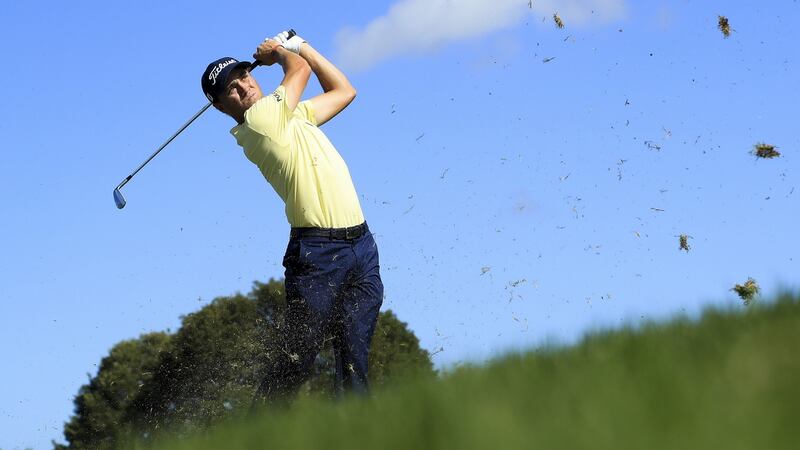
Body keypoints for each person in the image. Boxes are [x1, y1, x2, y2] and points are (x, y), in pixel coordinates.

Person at [200, 31, 383, 405]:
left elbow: (344, 90)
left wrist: (304, 46)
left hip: (361, 246)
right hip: (317, 253)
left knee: (354, 360)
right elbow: (297, 69)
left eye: (244, 76)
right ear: (220, 107)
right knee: (295, 360)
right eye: (231, 89)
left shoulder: (291, 116)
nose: (244, 87)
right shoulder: (260, 123)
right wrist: (281, 52)